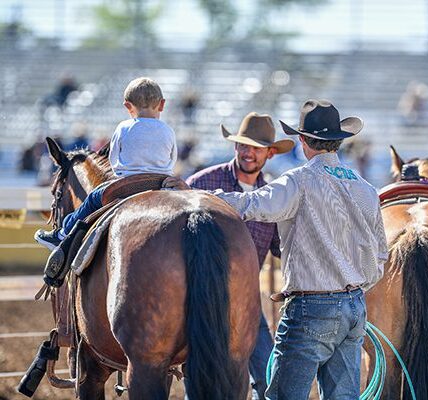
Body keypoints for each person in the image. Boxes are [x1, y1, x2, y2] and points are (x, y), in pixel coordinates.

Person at [165, 99, 388, 399]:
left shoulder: (300, 181)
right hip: (353, 305)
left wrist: (198, 196)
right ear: (337, 141)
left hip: (311, 307)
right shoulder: (365, 188)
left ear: (303, 141)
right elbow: (380, 255)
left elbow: (252, 204)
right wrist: (352, 288)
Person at [184, 112, 294, 399]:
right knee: (200, 376)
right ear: (235, 147)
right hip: (200, 297)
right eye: (243, 145)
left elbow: (282, 249)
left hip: (246, 301)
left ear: (270, 154)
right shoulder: (201, 183)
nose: (248, 153)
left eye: (256, 147)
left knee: (270, 377)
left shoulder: (272, 197)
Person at [34, 77, 177, 252]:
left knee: (93, 198)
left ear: (127, 106)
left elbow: (114, 158)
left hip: (127, 185)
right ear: (162, 105)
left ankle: (63, 233)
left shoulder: (123, 127)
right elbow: (172, 158)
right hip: (163, 184)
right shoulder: (168, 130)